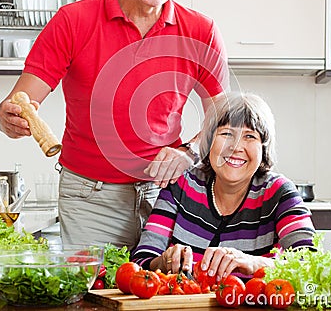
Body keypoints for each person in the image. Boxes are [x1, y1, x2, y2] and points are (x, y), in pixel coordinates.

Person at [0, 0, 229, 250]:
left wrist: (190, 153)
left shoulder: (202, 31)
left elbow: (224, 120)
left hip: (169, 196)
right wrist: (8, 117)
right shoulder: (73, 21)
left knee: (167, 297)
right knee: (91, 297)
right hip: (89, 198)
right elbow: (20, 101)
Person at [131, 92, 316, 281]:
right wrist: (162, 262)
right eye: (227, 133)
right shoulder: (180, 186)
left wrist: (254, 263)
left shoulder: (279, 192)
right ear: (209, 142)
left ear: (263, 148)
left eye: (250, 136)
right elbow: (141, 260)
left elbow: (310, 264)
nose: (236, 147)